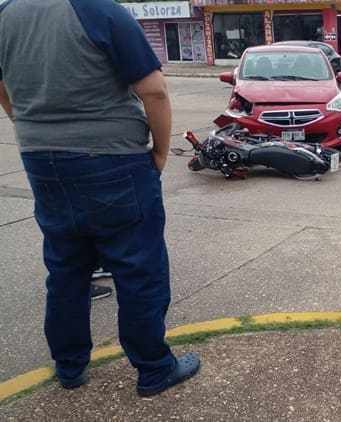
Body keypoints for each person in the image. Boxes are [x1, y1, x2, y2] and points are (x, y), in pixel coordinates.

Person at [0, 0, 200, 396]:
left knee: (66, 269)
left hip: (43, 163)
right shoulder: (96, 9)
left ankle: (70, 367)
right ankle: (154, 369)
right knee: (138, 270)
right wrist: (159, 153)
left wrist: (31, 128)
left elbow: (3, 86)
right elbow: (154, 91)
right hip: (111, 161)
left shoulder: (6, 14)